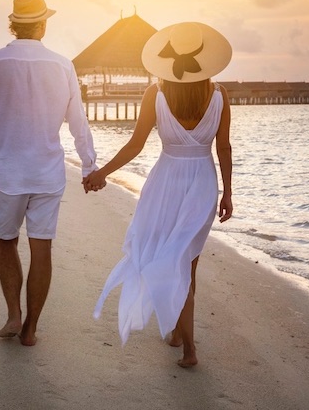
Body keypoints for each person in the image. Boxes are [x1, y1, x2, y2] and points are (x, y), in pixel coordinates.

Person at [86, 21, 233, 367]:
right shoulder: (219, 94)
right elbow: (224, 147)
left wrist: (100, 174)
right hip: (202, 182)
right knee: (187, 262)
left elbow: (136, 145)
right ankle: (182, 338)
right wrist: (228, 193)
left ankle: (188, 346)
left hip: (165, 183)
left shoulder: (156, 93)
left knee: (173, 258)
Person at [0, 0, 100, 346]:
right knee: (42, 249)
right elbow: (77, 122)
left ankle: (13, 314)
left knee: (6, 242)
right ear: (42, 25)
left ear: (13, 24)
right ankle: (31, 328)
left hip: (7, 171)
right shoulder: (62, 65)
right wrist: (88, 165)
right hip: (47, 173)